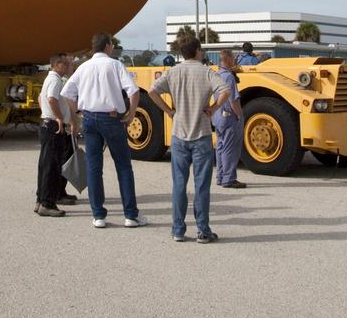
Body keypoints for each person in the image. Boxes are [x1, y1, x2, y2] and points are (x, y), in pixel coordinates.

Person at [61, 33, 147, 229]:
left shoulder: (83, 67)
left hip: (90, 118)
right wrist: (132, 113)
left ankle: (98, 215)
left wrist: (77, 112)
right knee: (123, 166)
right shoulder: (115, 65)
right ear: (108, 46)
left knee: (93, 167)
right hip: (112, 117)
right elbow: (133, 91)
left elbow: (67, 93)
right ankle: (130, 215)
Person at [148, 36, 230, 243]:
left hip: (179, 134)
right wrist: (212, 108)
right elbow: (225, 90)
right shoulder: (206, 72)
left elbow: (152, 91)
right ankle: (203, 230)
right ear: (198, 51)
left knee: (179, 184)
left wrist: (168, 110)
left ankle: (178, 229)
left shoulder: (173, 72)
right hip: (201, 134)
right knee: (202, 185)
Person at [34, 54, 77, 217]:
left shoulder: (49, 79)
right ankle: (47, 203)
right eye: (65, 64)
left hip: (47, 123)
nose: (67, 67)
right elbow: (51, 99)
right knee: (52, 166)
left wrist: (46, 113)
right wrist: (58, 117)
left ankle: (41, 200)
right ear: (57, 64)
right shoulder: (55, 80)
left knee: (46, 165)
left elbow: (41, 98)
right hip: (52, 126)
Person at [215, 50, 246, 189]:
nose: (234, 60)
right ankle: (229, 178)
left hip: (218, 117)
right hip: (229, 118)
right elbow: (233, 100)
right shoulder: (229, 77)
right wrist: (239, 115)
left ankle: (221, 176)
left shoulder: (217, 75)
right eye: (233, 57)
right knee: (230, 149)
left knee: (220, 147)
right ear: (227, 59)